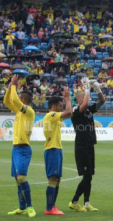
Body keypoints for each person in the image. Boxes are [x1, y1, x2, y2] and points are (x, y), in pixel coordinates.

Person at [69, 79, 106, 212]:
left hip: (90, 145)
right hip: (81, 146)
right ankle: (74, 201)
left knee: (89, 175)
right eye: (84, 97)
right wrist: (87, 88)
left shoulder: (89, 110)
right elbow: (84, 104)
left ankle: (86, 202)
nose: (87, 99)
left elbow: (102, 101)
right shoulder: (75, 110)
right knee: (87, 175)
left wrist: (97, 89)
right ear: (79, 99)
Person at [3, 75, 36, 217]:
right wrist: (10, 88)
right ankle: (22, 207)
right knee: (17, 179)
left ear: (23, 100)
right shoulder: (18, 111)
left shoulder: (29, 111)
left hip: (23, 149)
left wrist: (15, 85)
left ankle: (30, 206)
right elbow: (7, 101)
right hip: (15, 148)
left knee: (22, 178)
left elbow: (14, 100)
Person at [43, 87, 72, 215]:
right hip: (52, 149)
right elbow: (69, 112)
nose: (62, 107)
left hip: (56, 149)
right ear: (54, 107)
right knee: (53, 178)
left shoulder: (53, 118)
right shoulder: (51, 115)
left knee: (57, 179)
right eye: (60, 106)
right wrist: (67, 98)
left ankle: (52, 206)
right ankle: (49, 208)